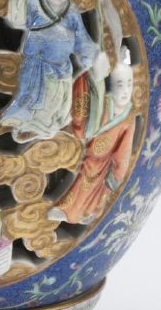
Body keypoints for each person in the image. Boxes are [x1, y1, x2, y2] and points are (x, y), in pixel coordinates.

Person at [0, 0, 110, 142]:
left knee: (57, 109)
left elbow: (82, 39)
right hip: (37, 66)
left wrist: (93, 58)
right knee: (36, 104)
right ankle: (27, 129)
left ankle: (42, 131)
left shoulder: (70, 10)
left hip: (62, 70)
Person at [48, 52, 136, 226]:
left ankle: (72, 212)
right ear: (111, 86)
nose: (126, 91)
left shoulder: (129, 118)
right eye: (120, 85)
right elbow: (87, 120)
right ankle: (74, 210)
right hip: (86, 147)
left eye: (129, 84)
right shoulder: (105, 103)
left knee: (91, 185)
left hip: (103, 161)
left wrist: (118, 173)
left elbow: (124, 151)